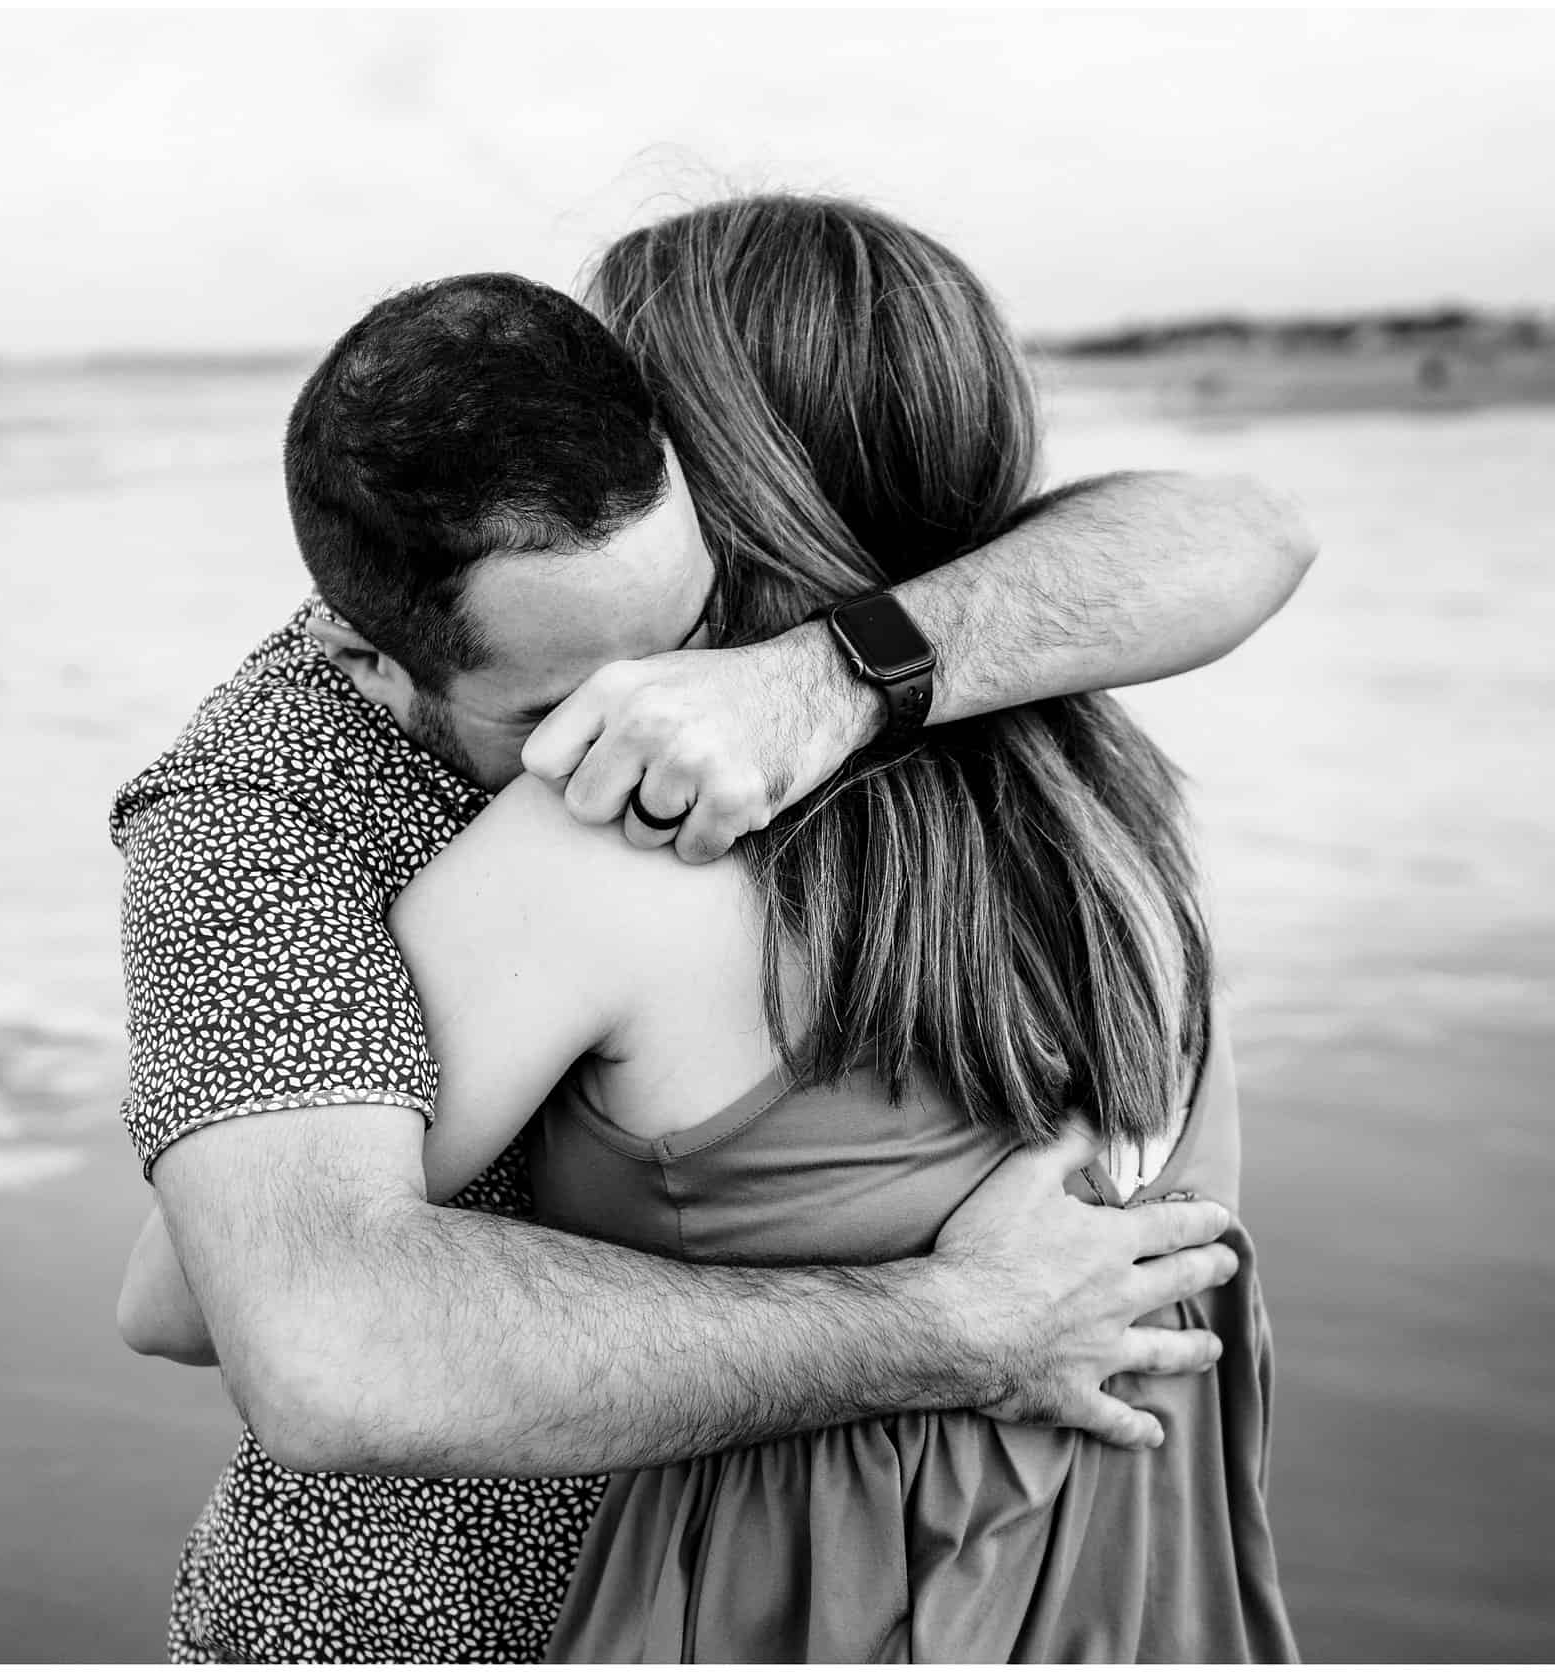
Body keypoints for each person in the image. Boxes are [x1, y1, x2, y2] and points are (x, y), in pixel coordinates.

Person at [113, 254, 1317, 1659]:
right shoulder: (265, 806)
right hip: (423, 1620)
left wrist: (818, 678)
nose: (653, 707)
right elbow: (260, 1319)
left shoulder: (867, 719)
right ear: (377, 662)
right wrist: (953, 1322)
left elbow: (1252, 529)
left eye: (688, 631)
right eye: (563, 702)